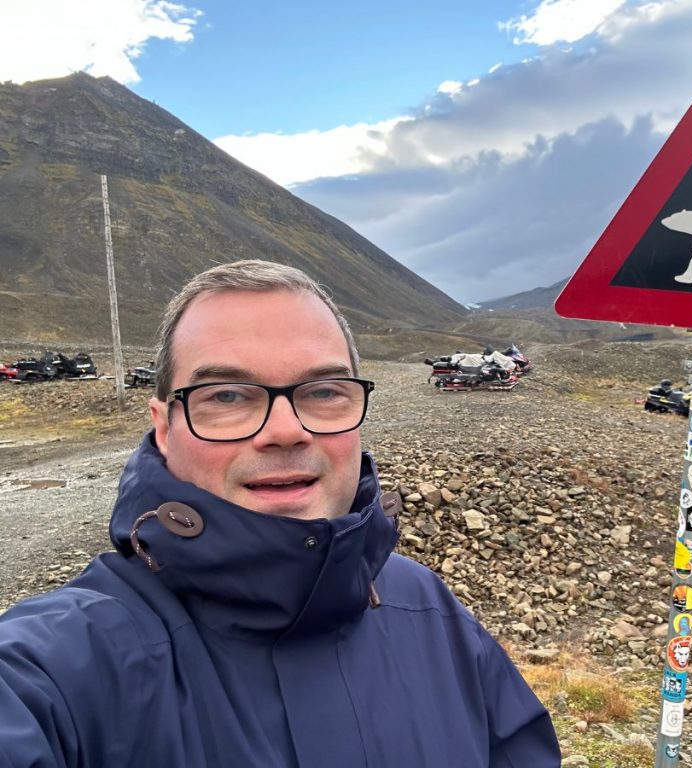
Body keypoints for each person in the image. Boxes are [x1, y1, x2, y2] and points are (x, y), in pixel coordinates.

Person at [0, 260, 560, 766]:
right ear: (164, 427)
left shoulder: (435, 616)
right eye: (225, 396)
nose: (286, 430)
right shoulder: (59, 668)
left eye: (322, 391)